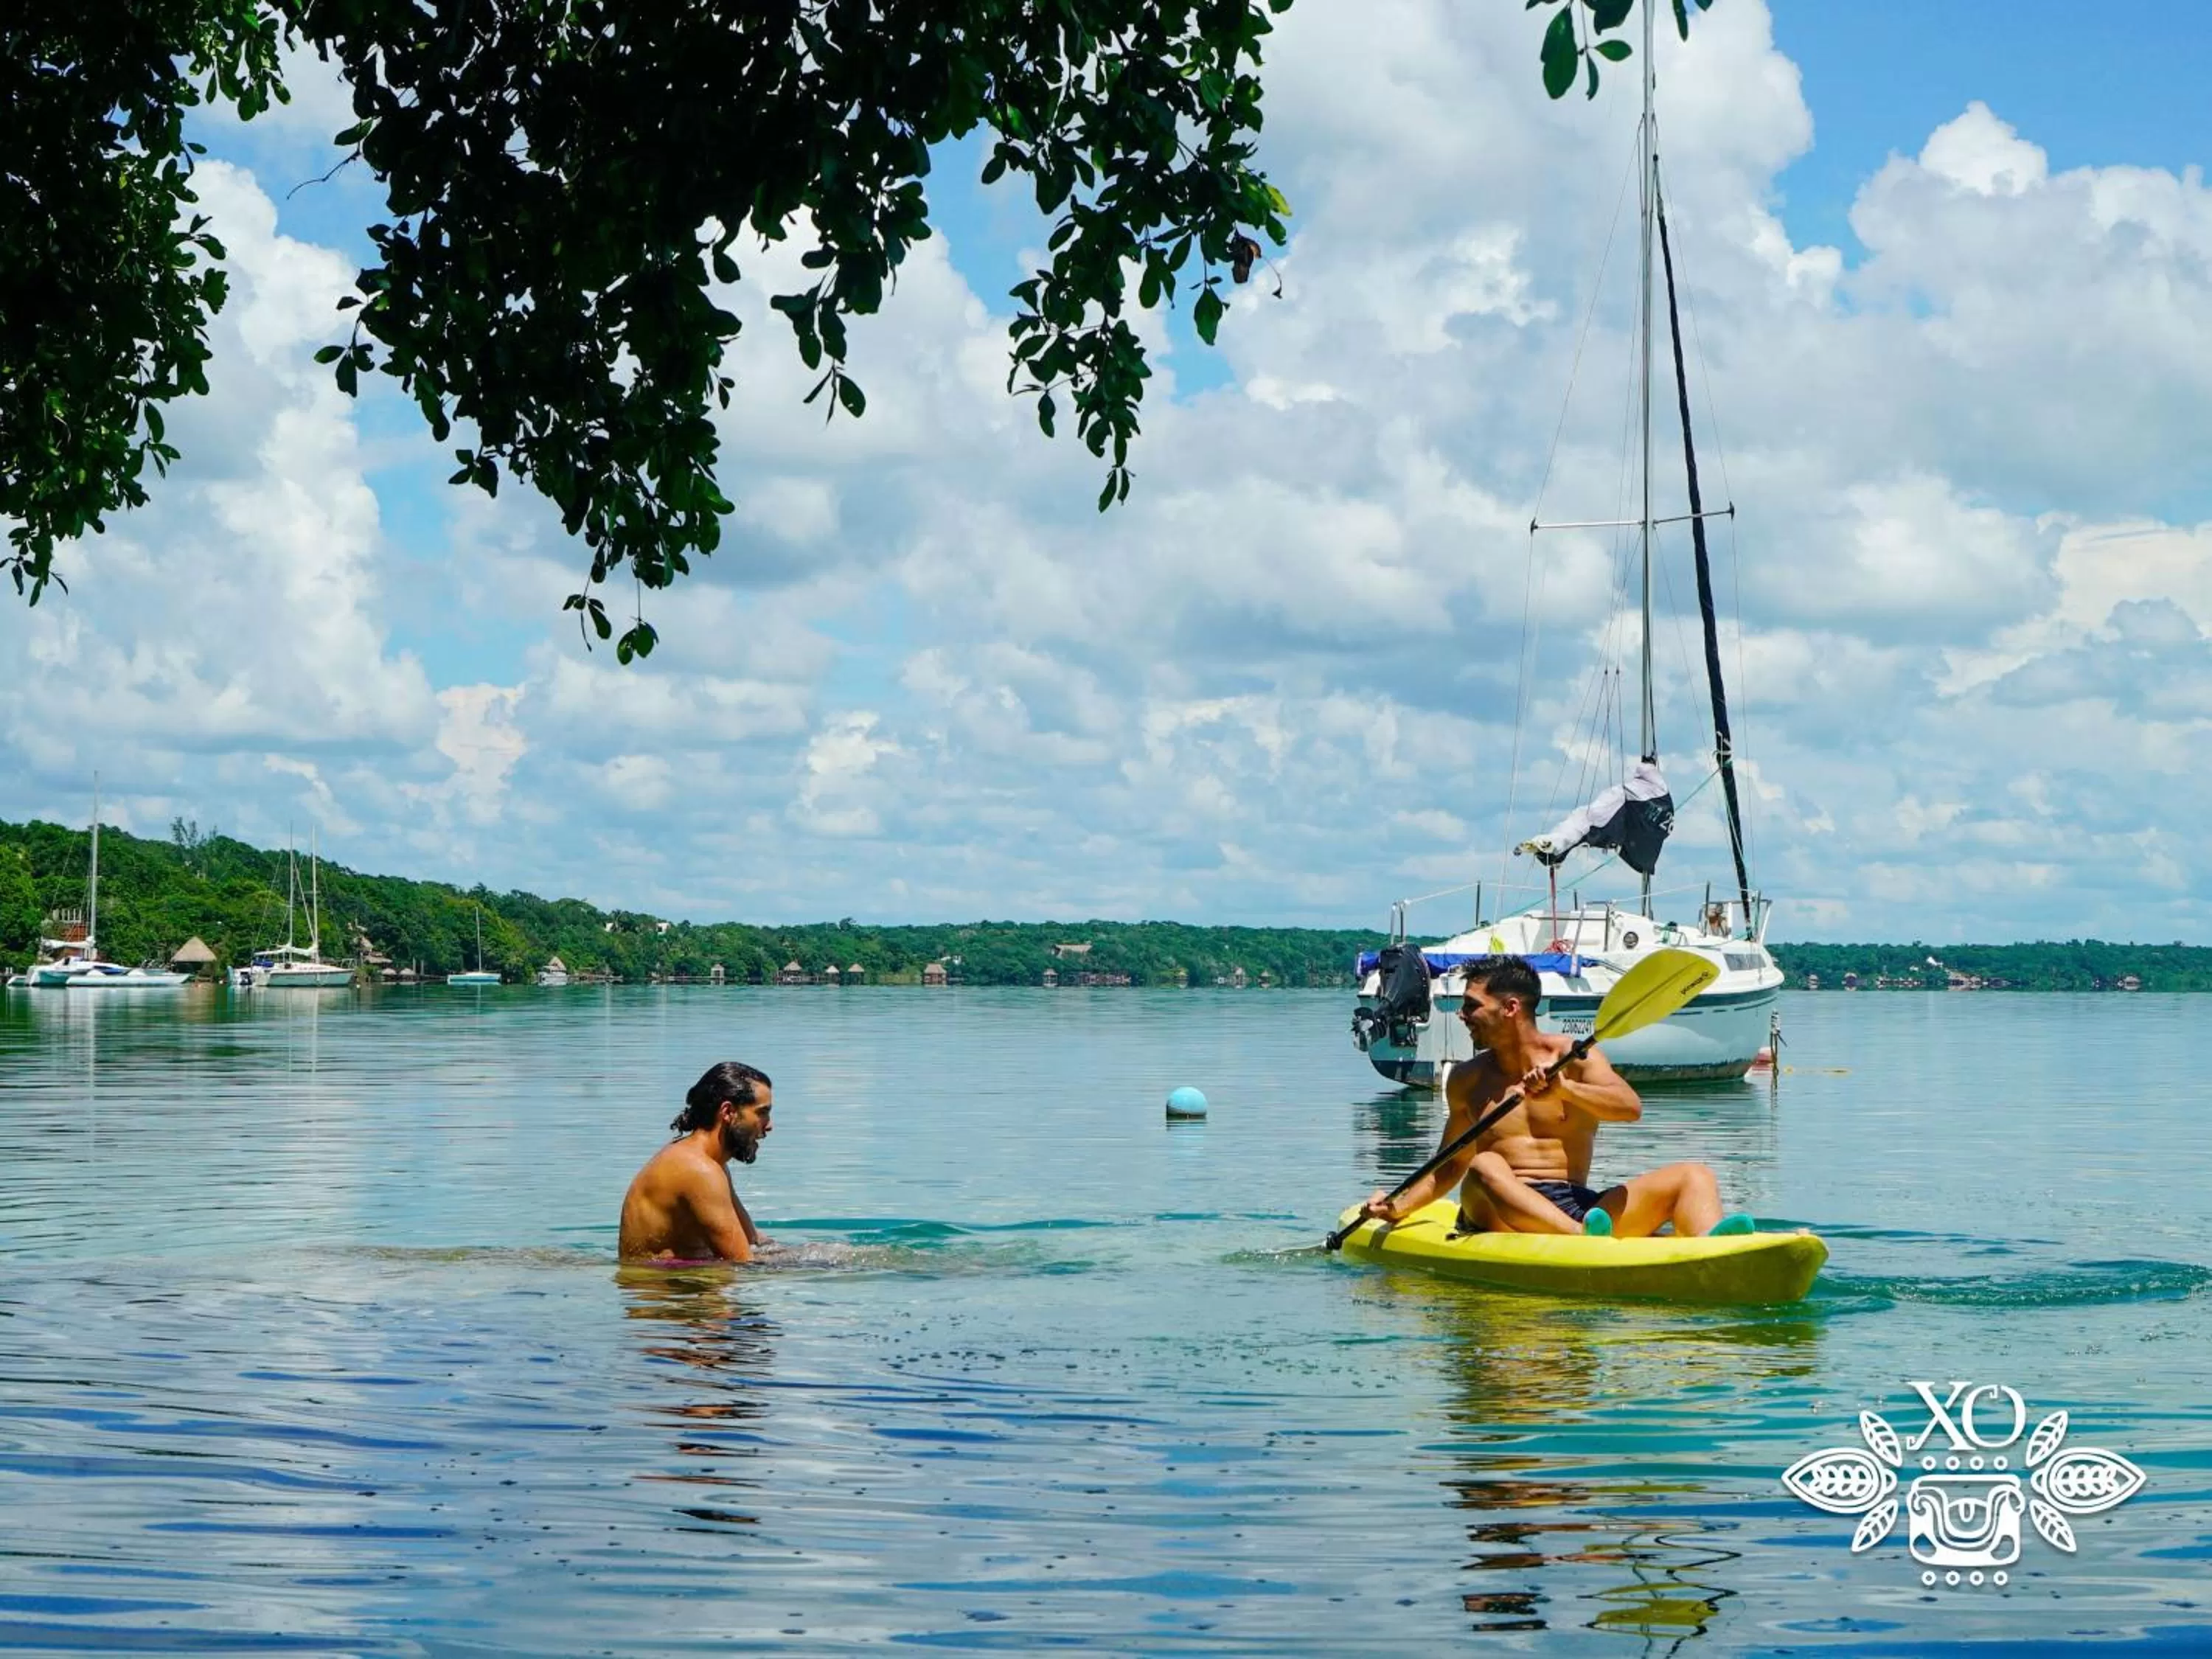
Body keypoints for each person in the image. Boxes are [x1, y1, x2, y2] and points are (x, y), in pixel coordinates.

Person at [1360, 956, 1751, 1239]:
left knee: (1694, 1175)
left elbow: (1630, 1109)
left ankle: (1713, 1252)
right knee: (1485, 1163)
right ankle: (1583, 1240)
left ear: (1510, 1008)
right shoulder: (1466, 1079)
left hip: (1578, 1202)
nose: (1462, 1015)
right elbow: (1450, 1165)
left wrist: (1564, 1089)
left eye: (1472, 1006)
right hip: (1498, 1208)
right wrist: (1400, 1206)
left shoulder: (1576, 1058)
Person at [619, 1061, 776, 1262]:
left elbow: (752, 1240)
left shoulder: (710, 1164)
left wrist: (822, 1252)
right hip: (666, 1290)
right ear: (728, 1112)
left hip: (681, 1284)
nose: (769, 1125)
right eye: (762, 1113)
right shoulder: (699, 1171)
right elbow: (744, 1264)